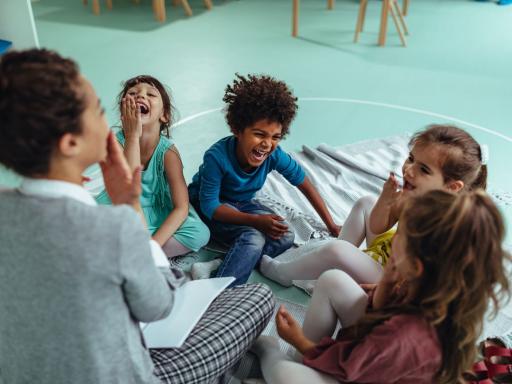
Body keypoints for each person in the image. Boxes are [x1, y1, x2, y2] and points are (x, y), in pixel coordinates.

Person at [0, 49, 274, 384]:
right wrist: (129, 209)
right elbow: (158, 306)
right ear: (71, 142)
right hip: (126, 373)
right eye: (99, 110)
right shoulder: (113, 227)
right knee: (259, 297)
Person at [253, 189, 510, 383]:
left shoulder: (405, 337)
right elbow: (385, 313)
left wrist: (298, 340)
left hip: (365, 373)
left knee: (286, 374)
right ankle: (304, 360)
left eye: (401, 234)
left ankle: (273, 353)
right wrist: (385, 286)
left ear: (416, 263)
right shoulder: (437, 289)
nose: (394, 236)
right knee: (333, 280)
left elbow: (349, 367)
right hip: (379, 360)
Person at [260, 124, 488, 286]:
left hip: (390, 281)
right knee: (366, 203)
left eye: (424, 170)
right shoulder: (412, 196)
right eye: (411, 159)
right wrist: (385, 200)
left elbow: (423, 280)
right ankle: (332, 263)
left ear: (452, 187)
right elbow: (379, 226)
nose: (408, 170)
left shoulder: (448, 226)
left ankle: (284, 273)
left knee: (336, 250)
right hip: (384, 254)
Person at [188, 74, 341, 285]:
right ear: (237, 129)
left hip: (242, 204)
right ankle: (218, 291)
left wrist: (331, 225)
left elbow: (303, 182)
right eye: (259, 134)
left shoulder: (274, 155)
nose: (267, 144)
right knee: (254, 237)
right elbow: (210, 206)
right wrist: (256, 221)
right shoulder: (217, 156)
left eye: (275, 137)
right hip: (210, 210)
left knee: (285, 234)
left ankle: (217, 264)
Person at [96, 75, 209, 258]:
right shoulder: (114, 144)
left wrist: (152, 246)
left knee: (199, 234)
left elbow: (181, 207)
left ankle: (139, 255)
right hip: (123, 206)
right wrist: (133, 136)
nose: (140, 96)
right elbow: (129, 191)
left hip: (158, 210)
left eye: (150, 94)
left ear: (164, 115)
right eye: (132, 93)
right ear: (123, 113)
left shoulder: (168, 153)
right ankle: (137, 255)